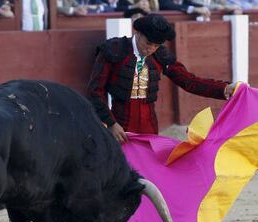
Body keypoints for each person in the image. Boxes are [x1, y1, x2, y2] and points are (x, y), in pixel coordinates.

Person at [86, 14, 237, 144]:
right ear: (137, 33)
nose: (150, 49)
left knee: (147, 172)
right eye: (148, 44)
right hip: (119, 123)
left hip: (149, 126)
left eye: (156, 46)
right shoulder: (114, 50)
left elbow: (188, 81)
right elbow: (95, 91)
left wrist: (224, 88)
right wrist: (110, 123)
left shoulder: (160, 55)